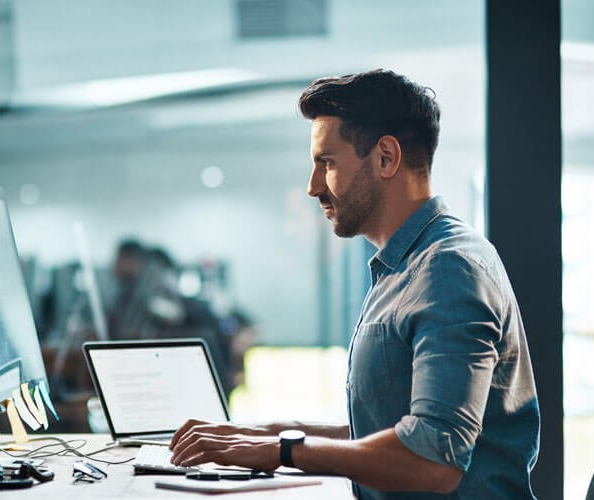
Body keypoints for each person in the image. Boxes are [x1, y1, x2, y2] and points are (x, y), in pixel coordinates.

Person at [168, 69, 540, 499]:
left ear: (385, 157)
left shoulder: (449, 270)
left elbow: (433, 459)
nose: (312, 188)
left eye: (326, 163)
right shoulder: (403, 267)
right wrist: (259, 433)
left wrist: (281, 450)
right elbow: (389, 429)